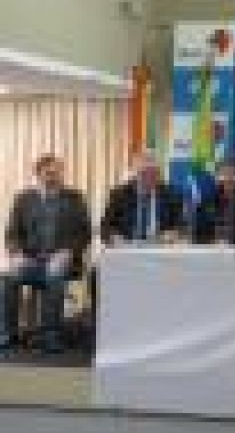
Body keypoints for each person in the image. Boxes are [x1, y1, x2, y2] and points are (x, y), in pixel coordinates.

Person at [4, 154, 91, 353]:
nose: (54, 177)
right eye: (49, 173)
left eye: (58, 172)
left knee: (54, 276)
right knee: (7, 278)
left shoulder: (75, 198)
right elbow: (12, 233)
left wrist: (68, 251)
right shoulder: (23, 198)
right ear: (38, 174)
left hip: (63, 259)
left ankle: (51, 335)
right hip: (31, 260)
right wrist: (16, 254)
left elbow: (84, 232)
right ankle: (8, 333)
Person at [100, 151, 184, 245]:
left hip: (160, 247)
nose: (149, 178)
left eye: (154, 174)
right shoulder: (119, 195)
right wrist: (113, 237)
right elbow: (104, 226)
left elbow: (181, 225)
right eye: (145, 173)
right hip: (127, 248)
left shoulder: (171, 196)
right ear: (137, 174)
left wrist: (174, 233)